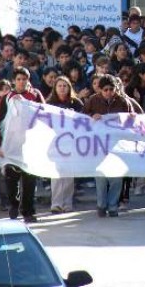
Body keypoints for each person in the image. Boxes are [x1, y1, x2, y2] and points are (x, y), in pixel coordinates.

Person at [0, 67, 45, 223]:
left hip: (30, 145)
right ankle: (13, 204)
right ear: (13, 81)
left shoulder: (35, 96)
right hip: (11, 144)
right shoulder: (6, 98)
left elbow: (44, 116)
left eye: (24, 79)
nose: (21, 82)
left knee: (29, 179)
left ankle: (28, 211)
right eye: (19, 79)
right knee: (11, 178)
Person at [83, 74, 131, 218]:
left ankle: (113, 206)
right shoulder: (93, 100)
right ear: (100, 90)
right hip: (98, 145)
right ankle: (101, 205)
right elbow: (82, 118)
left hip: (117, 145)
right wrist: (92, 117)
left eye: (112, 89)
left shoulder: (123, 101)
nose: (109, 92)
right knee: (101, 178)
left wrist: (131, 118)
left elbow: (131, 119)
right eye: (106, 90)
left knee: (117, 178)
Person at [46, 76, 84, 214]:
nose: (62, 88)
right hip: (54, 143)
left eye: (65, 86)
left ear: (69, 88)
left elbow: (84, 122)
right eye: (59, 86)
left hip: (72, 143)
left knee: (69, 174)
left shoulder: (77, 103)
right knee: (55, 174)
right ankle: (56, 204)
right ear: (55, 88)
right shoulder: (49, 104)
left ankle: (67, 203)